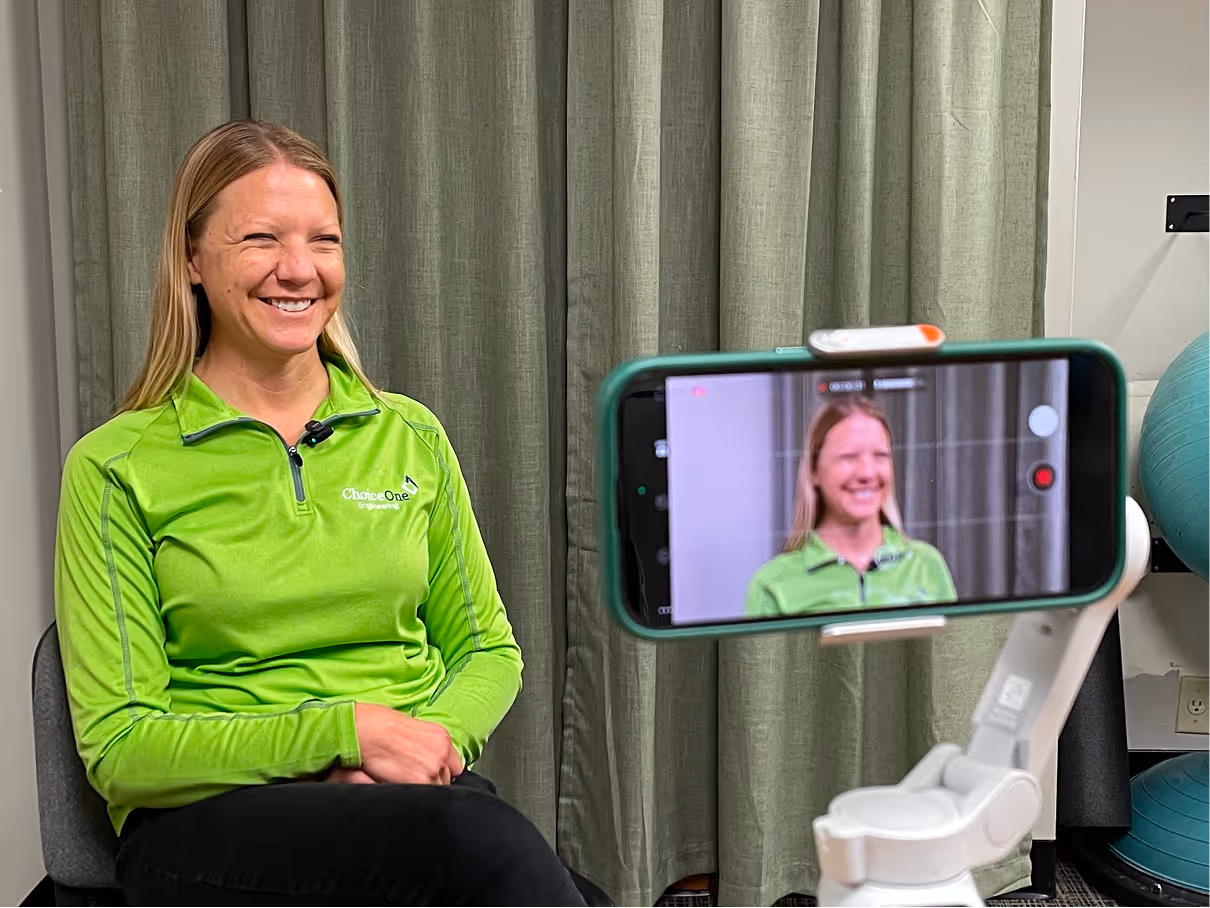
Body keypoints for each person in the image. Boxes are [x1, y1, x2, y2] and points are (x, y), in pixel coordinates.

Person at [54, 119, 592, 907]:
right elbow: (123, 748)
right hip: (210, 822)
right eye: (261, 239)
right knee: (487, 849)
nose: (298, 269)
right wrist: (344, 735)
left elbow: (487, 651)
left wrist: (419, 748)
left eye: (324, 241)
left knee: (551, 879)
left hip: (415, 805)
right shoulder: (115, 465)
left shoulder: (408, 434)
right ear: (192, 259)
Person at [745, 394, 957, 617]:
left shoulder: (926, 565)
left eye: (880, 456)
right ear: (814, 471)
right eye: (849, 457)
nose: (867, 473)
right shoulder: (772, 585)